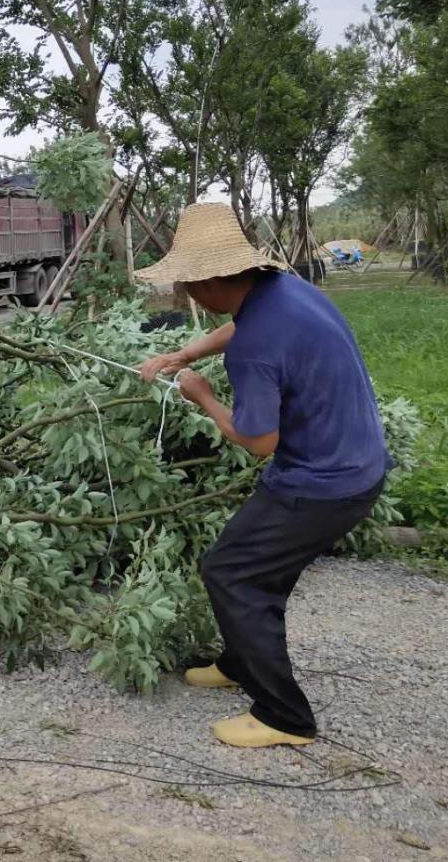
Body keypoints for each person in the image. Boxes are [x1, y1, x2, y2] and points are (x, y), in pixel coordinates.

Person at [136, 203, 391, 749]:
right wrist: (183, 353)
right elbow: (238, 325)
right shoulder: (283, 291)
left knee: (232, 572)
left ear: (208, 281)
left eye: (186, 285)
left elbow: (257, 444)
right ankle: (240, 661)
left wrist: (201, 394)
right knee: (254, 565)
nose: (186, 296)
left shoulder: (255, 351)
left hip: (322, 482)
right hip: (354, 461)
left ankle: (284, 716)